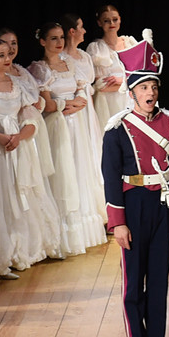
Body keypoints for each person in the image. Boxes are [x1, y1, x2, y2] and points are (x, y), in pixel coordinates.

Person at [102, 44, 169, 337]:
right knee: (133, 283)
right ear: (131, 93)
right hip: (133, 205)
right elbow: (111, 177)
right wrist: (118, 222)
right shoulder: (117, 128)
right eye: (143, 88)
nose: (150, 93)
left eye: (153, 86)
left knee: (158, 280)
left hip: (163, 205)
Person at [0, 37, 65, 271]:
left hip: (19, 147)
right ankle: (3, 255)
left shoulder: (17, 85)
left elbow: (31, 118)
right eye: (1, 55)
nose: (7, 59)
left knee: (25, 194)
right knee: (3, 197)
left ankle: (29, 248)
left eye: (8, 54)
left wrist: (19, 136)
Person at [30, 22, 108, 253]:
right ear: (43, 41)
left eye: (61, 37)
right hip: (58, 125)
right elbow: (47, 104)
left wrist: (76, 103)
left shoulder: (70, 63)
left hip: (77, 124)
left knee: (79, 170)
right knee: (63, 172)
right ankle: (62, 235)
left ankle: (82, 230)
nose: (59, 42)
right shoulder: (40, 69)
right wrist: (67, 104)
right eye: (53, 38)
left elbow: (82, 89)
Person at [60, 11, 107, 221]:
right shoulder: (62, 58)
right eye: (81, 27)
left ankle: (98, 209)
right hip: (74, 112)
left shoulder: (85, 56)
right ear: (72, 31)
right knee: (76, 156)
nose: (85, 31)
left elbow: (91, 85)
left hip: (88, 110)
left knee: (93, 152)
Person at [86, 4, 135, 124]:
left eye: (115, 19)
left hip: (131, 98)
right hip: (108, 103)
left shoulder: (130, 43)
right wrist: (129, 83)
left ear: (120, 19)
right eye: (106, 21)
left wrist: (121, 81)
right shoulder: (96, 49)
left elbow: (140, 76)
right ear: (99, 23)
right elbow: (101, 85)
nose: (112, 23)